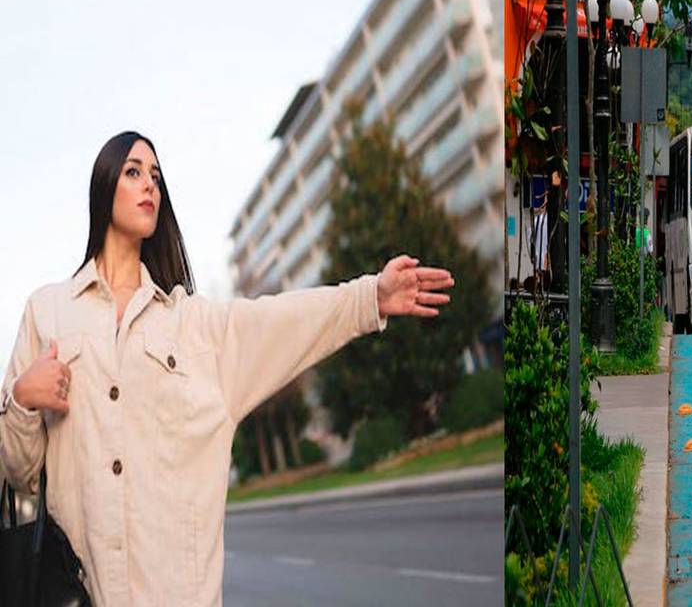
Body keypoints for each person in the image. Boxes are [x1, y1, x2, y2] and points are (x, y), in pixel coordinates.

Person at [0, 132, 454, 605]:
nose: (149, 185)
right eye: (133, 172)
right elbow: (19, 472)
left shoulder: (196, 327)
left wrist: (369, 298)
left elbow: (284, 320)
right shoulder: (47, 312)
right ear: (103, 186)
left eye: (155, 176)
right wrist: (22, 400)